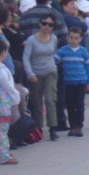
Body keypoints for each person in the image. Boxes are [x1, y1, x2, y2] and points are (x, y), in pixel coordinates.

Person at [22, 11, 60, 140]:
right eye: (44, 23)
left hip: (51, 71)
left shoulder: (54, 38)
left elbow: (53, 53)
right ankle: (39, 128)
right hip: (36, 74)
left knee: (50, 99)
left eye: (50, 25)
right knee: (37, 102)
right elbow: (26, 58)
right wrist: (30, 74)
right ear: (40, 24)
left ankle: (53, 128)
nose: (47, 26)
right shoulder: (32, 40)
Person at [0, 38, 21, 164]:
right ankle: (2, 156)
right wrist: (16, 95)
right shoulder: (0, 68)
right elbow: (7, 85)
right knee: (2, 130)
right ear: (3, 52)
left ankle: (1, 152)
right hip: (2, 103)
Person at [55, 26, 89, 137]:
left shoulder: (83, 51)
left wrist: (88, 82)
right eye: (71, 38)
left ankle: (79, 126)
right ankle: (72, 126)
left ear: (80, 39)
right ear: (67, 38)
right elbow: (54, 60)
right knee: (70, 105)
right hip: (68, 82)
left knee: (79, 105)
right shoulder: (63, 51)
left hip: (81, 81)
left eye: (76, 38)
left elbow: (88, 67)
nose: (73, 40)